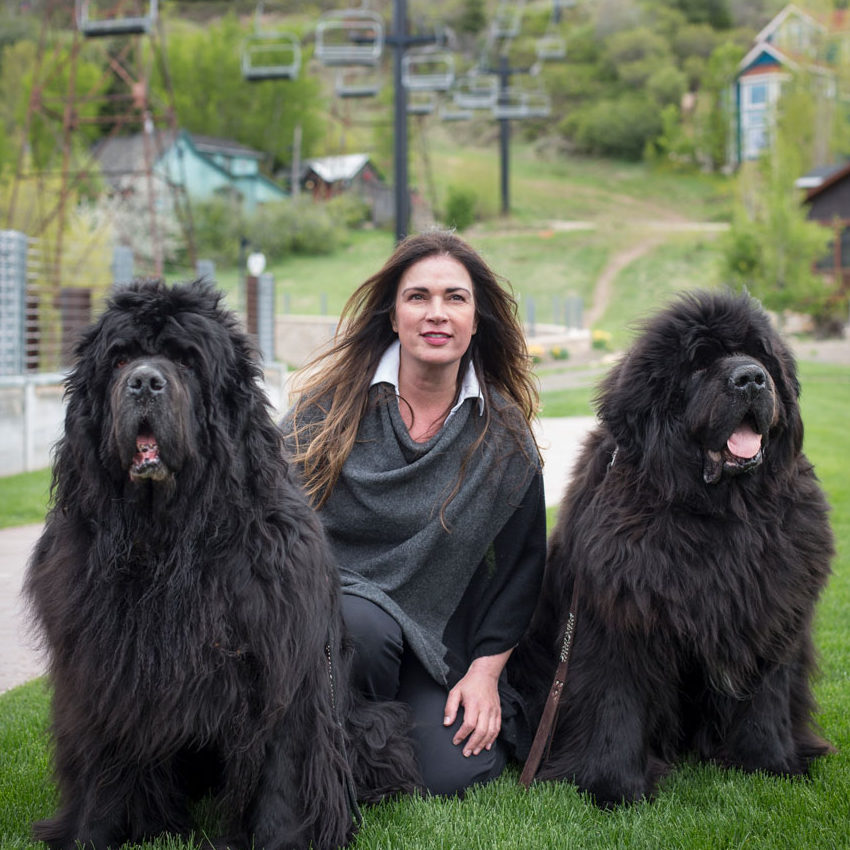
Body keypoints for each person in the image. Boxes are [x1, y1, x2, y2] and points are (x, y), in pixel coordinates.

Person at [283, 231, 546, 797]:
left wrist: (484, 674)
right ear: (393, 315)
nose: (437, 314)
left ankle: (358, 741)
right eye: (417, 297)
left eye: (455, 298)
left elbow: (523, 569)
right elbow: (266, 521)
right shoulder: (326, 411)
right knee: (366, 628)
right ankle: (315, 743)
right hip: (325, 624)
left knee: (460, 769)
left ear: (477, 321)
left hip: (430, 640)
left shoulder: (503, 439)